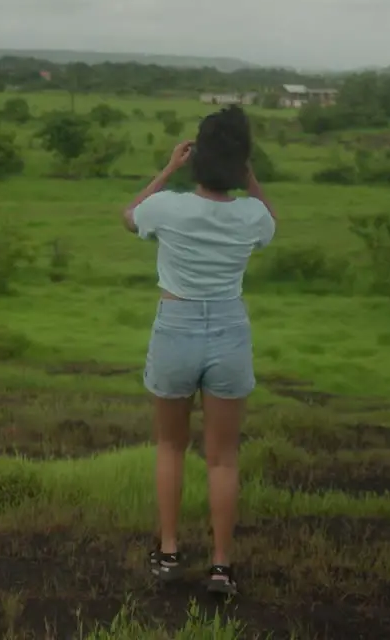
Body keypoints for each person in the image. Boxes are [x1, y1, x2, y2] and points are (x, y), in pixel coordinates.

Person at [120, 104, 277, 597]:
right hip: (229, 329)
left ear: (197, 157)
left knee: (170, 446)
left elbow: (129, 217)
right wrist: (249, 178)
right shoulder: (251, 214)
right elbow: (270, 223)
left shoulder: (168, 206)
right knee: (223, 458)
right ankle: (221, 567)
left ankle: (168, 553)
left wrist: (167, 169)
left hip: (176, 325)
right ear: (240, 161)